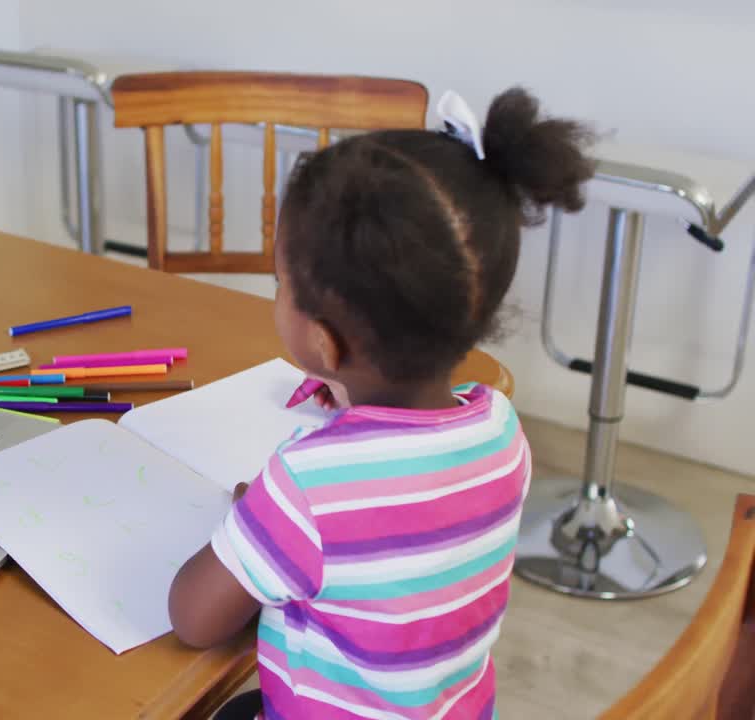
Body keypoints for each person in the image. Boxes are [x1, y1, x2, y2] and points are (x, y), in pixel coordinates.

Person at [167, 88, 595, 719]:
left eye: (281, 284)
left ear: (323, 341)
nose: (277, 294)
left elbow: (193, 619)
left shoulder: (307, 487)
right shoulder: (503, 431)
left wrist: (258, 524)